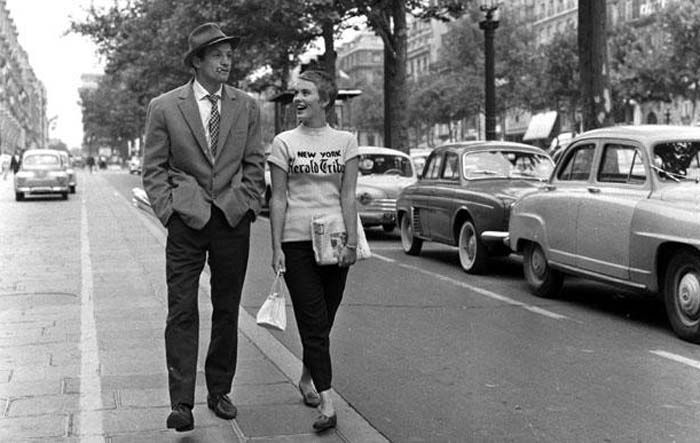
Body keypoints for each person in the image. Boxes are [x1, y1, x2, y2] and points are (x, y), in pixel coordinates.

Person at [142, 22, 265, 432]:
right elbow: (154, 168)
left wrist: (246, 203)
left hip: (231, 219)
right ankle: (181, 402)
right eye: (218, 54)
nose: (227, 60)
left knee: (227, 309)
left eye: (230, 53)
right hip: (187, 221)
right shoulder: (164, 107)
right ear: (197, 62)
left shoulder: (247, 106)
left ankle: (219, 390)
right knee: (181, 310)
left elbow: (254, 164)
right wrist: (168, 212)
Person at [268, 70, 359, 432]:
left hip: (335, 241)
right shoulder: (283, 142)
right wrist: (276, 246)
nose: (297, 99)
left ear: (324, 99)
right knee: (313, 321)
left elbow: (348, 194)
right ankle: (328, 401)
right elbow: (277, 198)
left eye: (305, 92)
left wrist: (352, 242)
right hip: (296, 241)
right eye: (295, 93)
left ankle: (307, 378)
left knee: (325, 320)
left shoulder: (346, 141)